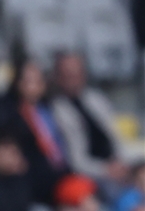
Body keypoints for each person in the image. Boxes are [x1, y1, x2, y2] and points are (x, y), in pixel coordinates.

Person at [50, 52, 129, 192]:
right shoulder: (57, 110)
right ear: (58, 77)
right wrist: (106, 170)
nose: (74, 78)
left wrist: (120, 163)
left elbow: (115, 136)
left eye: (78, 73)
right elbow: (76, 161)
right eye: (68, 74)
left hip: (117, 165)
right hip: (92, 176)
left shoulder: (97, 99)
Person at [6, 59, 67, 203]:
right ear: (18, 83)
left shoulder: (49, 109)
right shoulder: (12, 114)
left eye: (39, 80)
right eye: (30, 81)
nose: (36, 86)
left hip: (60, 171)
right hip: (36, 181)